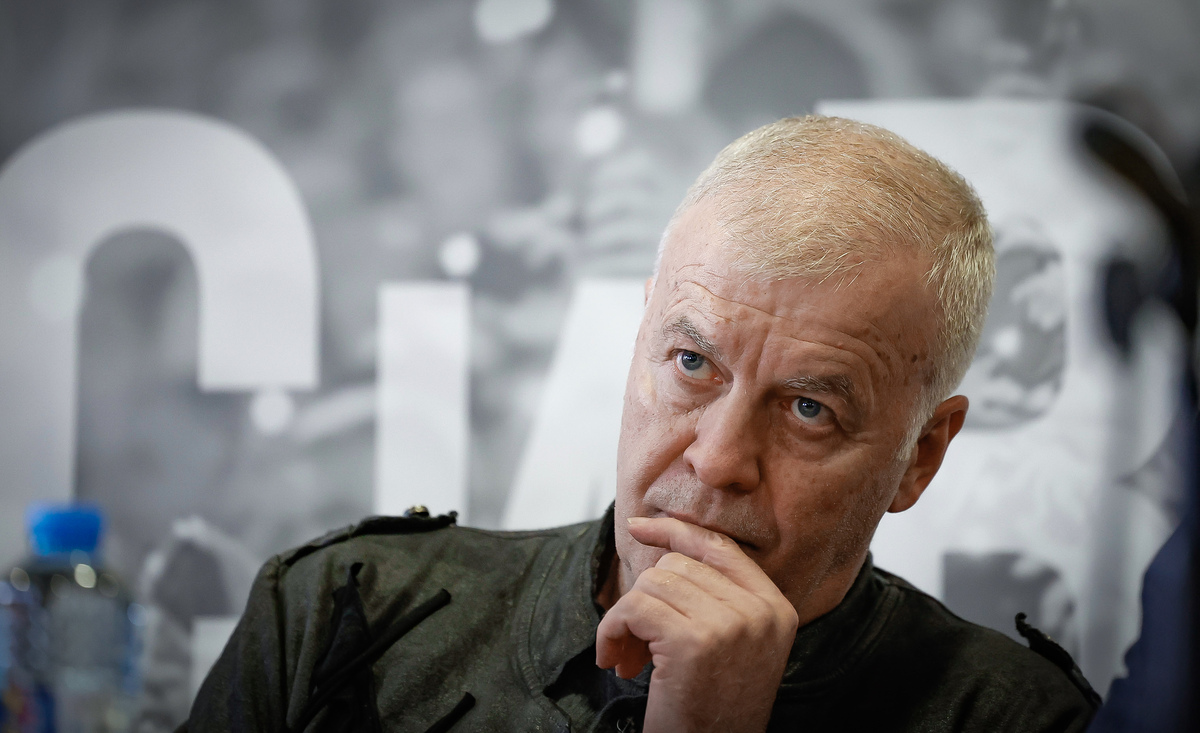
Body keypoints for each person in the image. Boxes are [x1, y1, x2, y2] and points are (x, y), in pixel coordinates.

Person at [180, 116, 1098, 732]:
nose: (719, 458)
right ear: (638, 338)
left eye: (809, 407)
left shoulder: (1016, 718)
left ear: (920, 456)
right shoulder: (342, 615)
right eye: (692, 362)